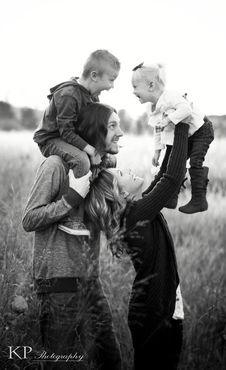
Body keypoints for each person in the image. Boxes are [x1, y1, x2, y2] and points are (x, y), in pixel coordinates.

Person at [79, 114, 189, 369]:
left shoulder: (136, 211)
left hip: (158, 308)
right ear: (119, 192)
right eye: (122, 173)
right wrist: (182, 122)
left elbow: (164, 177)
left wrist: (169, 136)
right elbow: (172, 179)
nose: (129, 170)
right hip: (155, 313)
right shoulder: (136, 215)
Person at [22, 103, 123, 370]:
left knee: (111, 361)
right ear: (93, 131)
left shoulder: (98, 170)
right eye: (113, 126)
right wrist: (71, 198)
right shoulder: (55, 165)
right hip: (57, 287)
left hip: (91, 284)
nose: (121, 133)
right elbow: (29, 219)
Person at [33, 49, 121, 234]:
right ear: (94, 76)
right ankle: (72, 217)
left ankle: (97, 208)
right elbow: (66, 132)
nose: (112, 86)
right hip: (51, 139)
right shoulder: (69, 95)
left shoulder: (91, 95)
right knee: (81, 161)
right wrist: (89, 149)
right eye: (111, 80)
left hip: (70, 138)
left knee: (109, 161)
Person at [131, 62, 214, 214]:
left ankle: (199, 200)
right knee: (169, 163)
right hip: (183, 136)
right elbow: (158, 130)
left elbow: (186, 109)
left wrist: (169, 120)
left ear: (151, 85)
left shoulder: (171, 96)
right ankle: (169, 197)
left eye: (135, 86)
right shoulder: (153, 108)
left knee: (195, 162)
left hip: (201, 130)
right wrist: (157, 151)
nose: (133, 91)